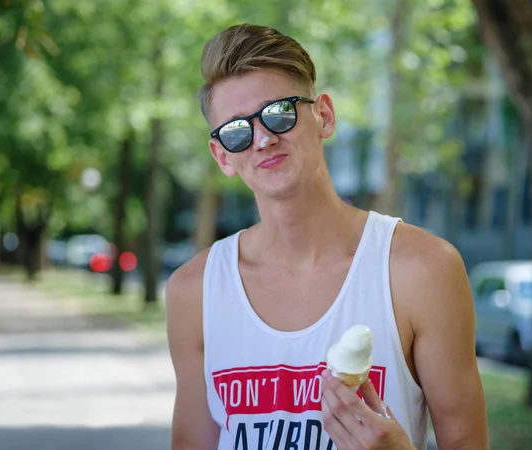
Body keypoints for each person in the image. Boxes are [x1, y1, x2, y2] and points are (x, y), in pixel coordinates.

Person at [166, 23, 489, 450]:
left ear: (324, 115)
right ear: (222, 156)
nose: (262, 138)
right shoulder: (195, 291)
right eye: (237, 131)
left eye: (279, 112)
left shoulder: (422, 270)